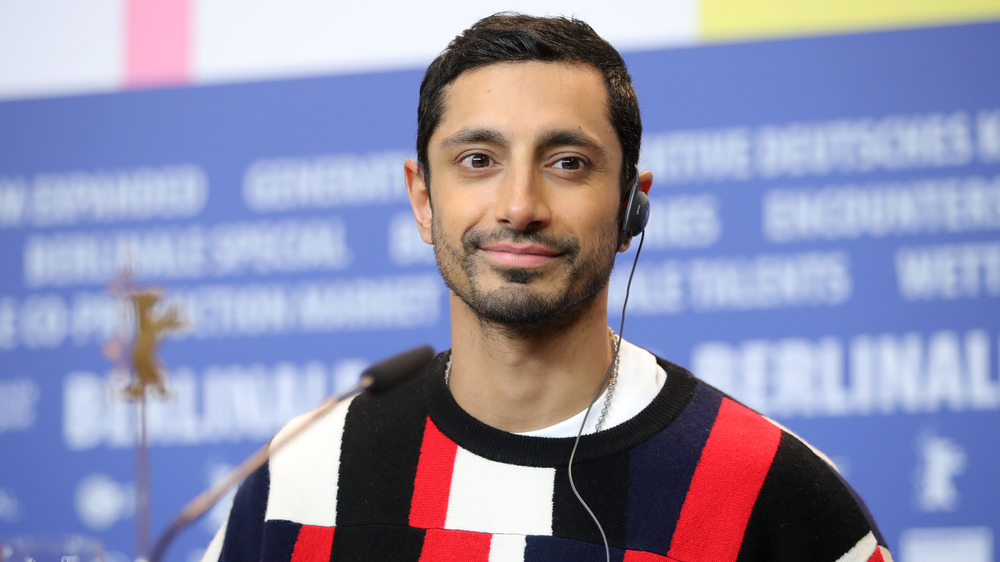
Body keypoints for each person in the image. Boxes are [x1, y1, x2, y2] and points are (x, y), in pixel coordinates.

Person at [203, 13, 892, 561]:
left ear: (631, 206)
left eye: (567, 162)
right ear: (421, 199)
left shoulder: (770, 488)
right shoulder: (302, 470)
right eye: (478, 160)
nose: (519, 205)